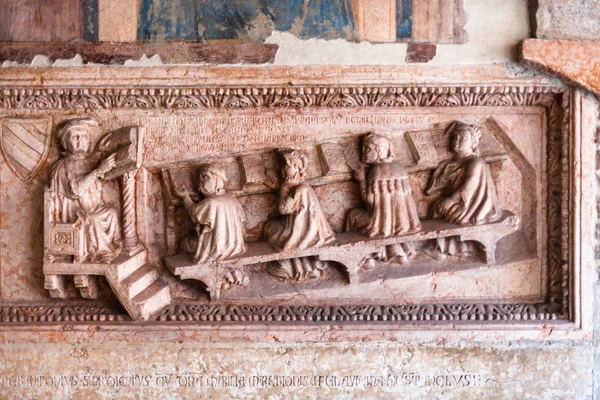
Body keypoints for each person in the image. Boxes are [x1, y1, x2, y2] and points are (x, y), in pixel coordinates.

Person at [425, 121, 503, 259]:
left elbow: (468, 187)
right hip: (460, 202)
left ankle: (450, 248)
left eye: (463, 138)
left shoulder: (475, 162)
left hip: (471, 207)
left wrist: (450, 200)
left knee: (446, 211)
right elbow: (432, 189)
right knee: (437, 207)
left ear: (473, 142)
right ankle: (442, 247)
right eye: (455, 137)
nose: (458, 141)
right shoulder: (449, 163)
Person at [49, 118, 121, 263]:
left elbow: (98, 183)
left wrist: (107, 170)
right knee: (93, 220)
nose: (81, 140)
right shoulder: (63, 167)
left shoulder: (88, 162)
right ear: (65, 142)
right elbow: (76, 191)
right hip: (74, 213)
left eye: (84, 136)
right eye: (76, 137)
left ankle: (107, 249)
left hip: (94, 208)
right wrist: (98, 171)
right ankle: (101, 253)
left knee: (111, 213)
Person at [345, 133, 421, 264]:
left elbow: (369, 200)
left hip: (380, 224)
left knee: (353, 215)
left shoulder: (377, 171)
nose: (363, 152)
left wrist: (361, 180)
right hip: (404, 224)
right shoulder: (401, 169)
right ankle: (400, 251)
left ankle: (366, 257)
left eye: (367, 149)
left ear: (379, 150)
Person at [264, 149, 335, 280]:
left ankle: (298, 265)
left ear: (298, 168)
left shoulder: (300, 189)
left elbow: (283, 209)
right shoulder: (301, 187)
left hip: (299, 233)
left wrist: (284, 188)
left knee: (270, 228)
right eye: (283, 166)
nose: (283, 170)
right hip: (296, 228)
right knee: (271, 226)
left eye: (287, 166)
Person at [176, 164, 246, 264]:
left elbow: (194, 214)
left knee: (186, 243)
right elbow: (243, 224)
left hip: (216, 249)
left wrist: (185, 197)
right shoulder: (232, 199)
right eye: (200, 178)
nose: (201, 182)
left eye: (205, 177)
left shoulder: (211, 202)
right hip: (235, 247)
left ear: (218, 180)